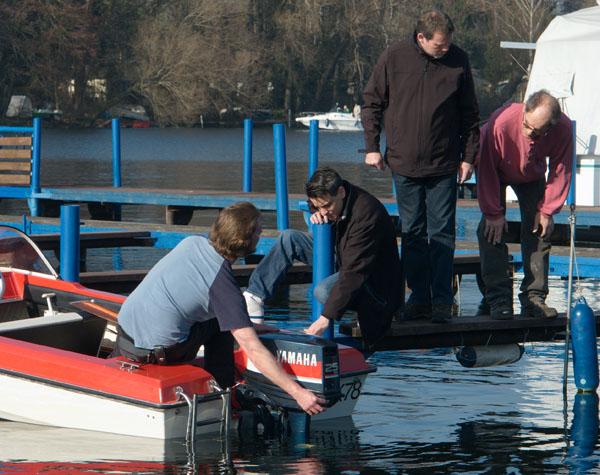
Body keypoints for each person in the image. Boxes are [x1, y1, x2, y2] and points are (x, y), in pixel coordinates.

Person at [112, 201, 326, 416]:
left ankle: (108, 365)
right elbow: (253, 349)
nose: (260, 236)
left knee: (220, 318)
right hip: (158, 352)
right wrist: (298, 393)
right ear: (245, 239)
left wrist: (244, 323)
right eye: (258, 232)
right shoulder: (224, 287)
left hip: (124, 335)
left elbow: (187, 292)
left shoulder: (191, 243)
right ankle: (225, 394)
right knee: (220, 325)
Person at [360, 10, 480, 323]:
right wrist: (372, 147)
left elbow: (470, 114)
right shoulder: (394, 57)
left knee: (442, 233)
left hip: (444, 163)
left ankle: (441, 300)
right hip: (402, 162)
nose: (445, 49)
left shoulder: (458, 60)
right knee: (413, 232)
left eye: (449, 43)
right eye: (440, 45)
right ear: (421, 38)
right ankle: (418, 298)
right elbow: (372, 102)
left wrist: (469, 157)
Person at [243, 167, 402, 347]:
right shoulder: (335, 198)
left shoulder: (366, 215)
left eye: (326, 206)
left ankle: (358, 311)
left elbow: (354, 272)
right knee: (289, 238)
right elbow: (318, 202)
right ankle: (253, 296)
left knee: (323, 291)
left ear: (341, 192)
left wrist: (326, 317)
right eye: (318, 206)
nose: (324, 212)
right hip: (343, 258)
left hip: (373, 282)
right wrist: (315, 210)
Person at [476, 90, 574, 319]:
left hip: (531, 174)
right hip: (495, 167)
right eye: (526, 125)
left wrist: (548, 210)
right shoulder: (501, 122)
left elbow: (561, 170)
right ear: (525, 112)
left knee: (540, 230)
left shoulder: (564, 129)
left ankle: (533, 298)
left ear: (550, 127)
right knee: (490, 231)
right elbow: (486, 167)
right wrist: (493, 213)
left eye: (537, 131)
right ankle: (499, 299)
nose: (529, 132)